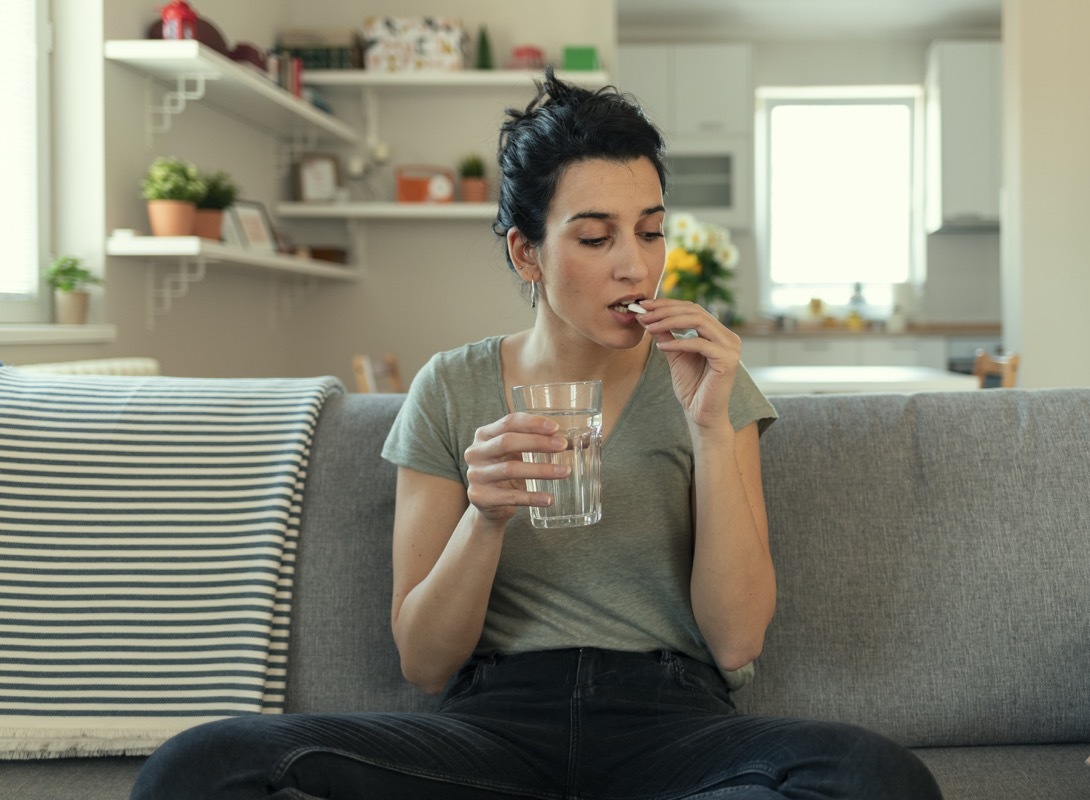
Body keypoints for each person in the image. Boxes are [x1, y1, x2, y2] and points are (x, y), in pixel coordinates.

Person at [130, 69, 942, 800]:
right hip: (489, 727)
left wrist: (713, 431)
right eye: (596, 238)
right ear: (527, 253)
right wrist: (483, 519)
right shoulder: (451, 386)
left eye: (651, 231)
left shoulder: (707, 378)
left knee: (878, 778)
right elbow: (424, 662)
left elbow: (736, 641)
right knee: (199, 767)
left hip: (672, 724)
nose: (636, 266)